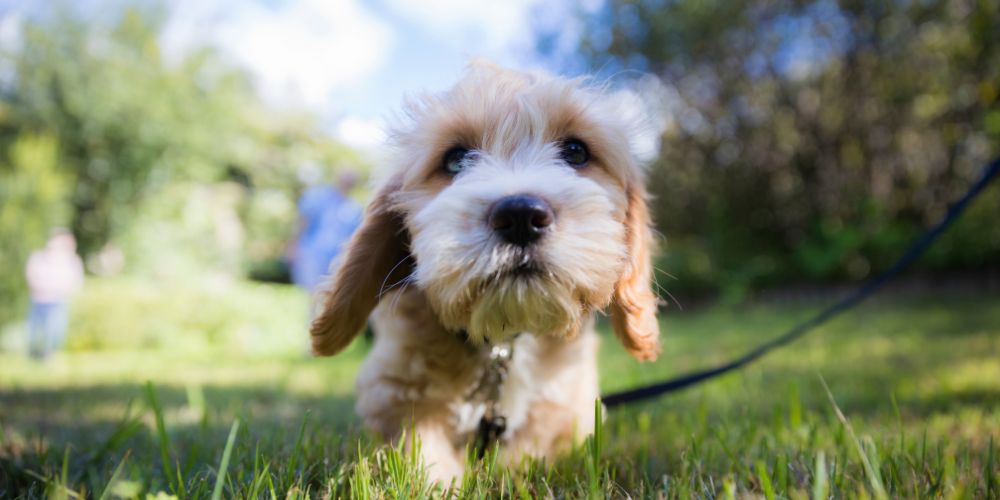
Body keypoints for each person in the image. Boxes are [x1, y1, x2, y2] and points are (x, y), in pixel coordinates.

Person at [289, 171, 363, 294]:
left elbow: (352, 237)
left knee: (328, 293)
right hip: (311, 254)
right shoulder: (317, 196)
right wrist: (293, 245)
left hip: (335, 259)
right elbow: (303, 221)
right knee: (313, 292)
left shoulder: (353, 207)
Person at [25, 229, 84, 360]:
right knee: (34, 333)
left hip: (58, 302)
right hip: (38, 300)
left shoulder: (71, 261)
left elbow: (74, 283)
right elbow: (32, 277)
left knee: (55, 332)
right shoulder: (39, 257)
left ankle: (49, 356)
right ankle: (34, 356)